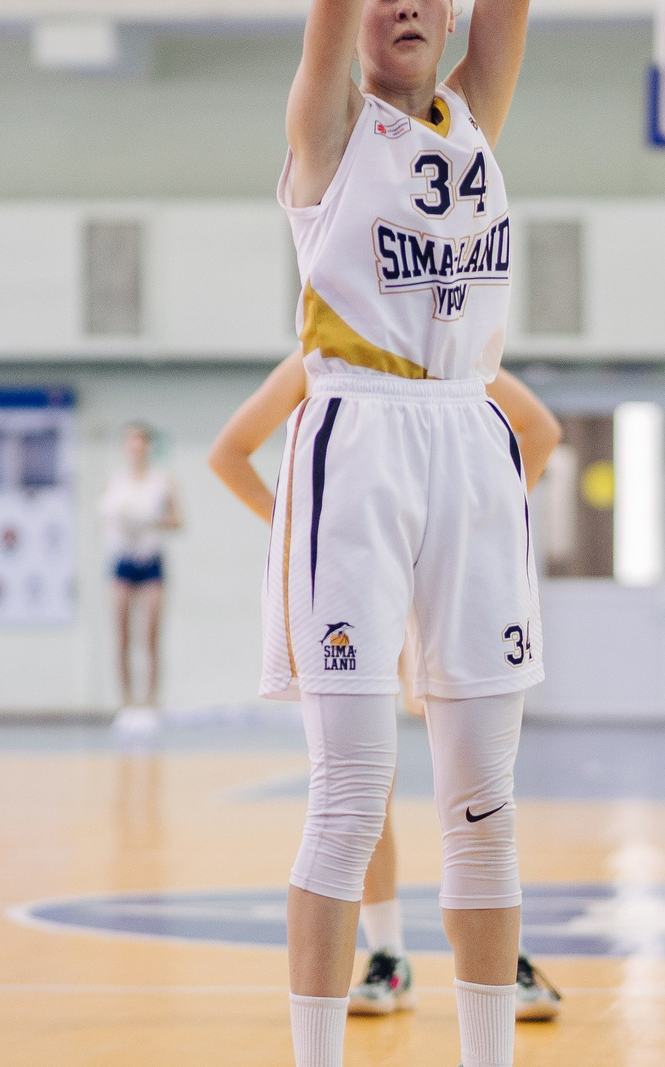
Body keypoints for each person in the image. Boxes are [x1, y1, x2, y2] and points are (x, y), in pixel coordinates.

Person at [250, 0, 557, 1067]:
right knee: (354, 789)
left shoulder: (475, 114)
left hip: (470, 444)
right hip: (358, 439)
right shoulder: (329, 128)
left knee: (487, 798)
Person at [210, 351, 566, 1023]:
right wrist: (302, 525)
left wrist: (477, 520)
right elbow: (228, 452)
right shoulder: (324, 361)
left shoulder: (449, 355)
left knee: (475, 782)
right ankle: (389, 952)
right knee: (364, 782)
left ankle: (501, 962)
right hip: (363, 576)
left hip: (444, 574)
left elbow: (540, 430)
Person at [100, 421, 180, 730]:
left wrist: (152, 519)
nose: (137, 447)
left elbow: (177, 519)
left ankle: (150, 703)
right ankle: (126, 703)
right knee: (121, 632)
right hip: (122, 560)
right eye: (131, 442)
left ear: (149, 446)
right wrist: (120, 520)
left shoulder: (163, 481)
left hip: (151, 561)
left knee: (150, 632)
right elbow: (103, 519)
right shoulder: (114, 481)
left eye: (142, 442)